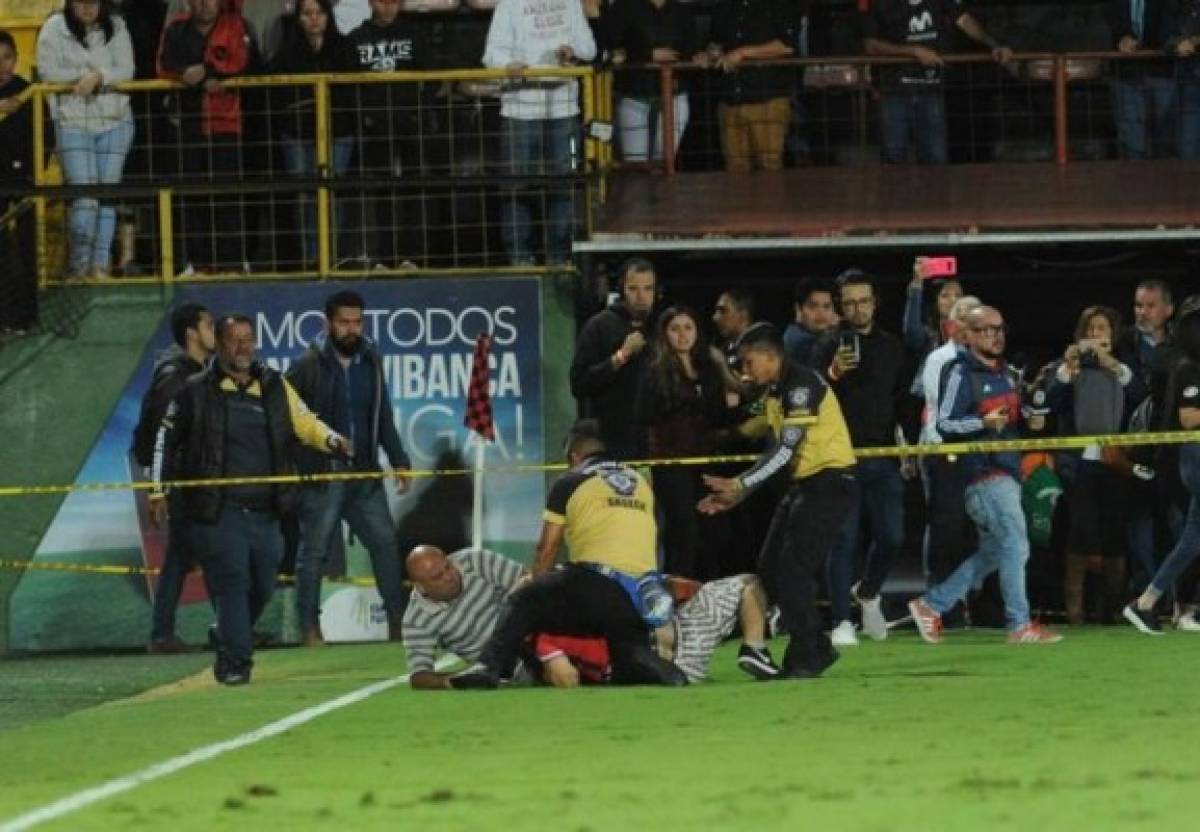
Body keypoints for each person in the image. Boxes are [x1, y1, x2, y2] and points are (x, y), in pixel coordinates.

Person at [150, 313, 351, 685]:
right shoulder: (194, 390)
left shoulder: (274, 385)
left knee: (262, 584)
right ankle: (236, 663)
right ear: (221, 344)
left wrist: (333, 440)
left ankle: (227, 632)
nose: (244, 348)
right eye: (234, 340)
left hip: (266, 511)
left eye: (249, 339)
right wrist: (157, 490)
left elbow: (305, 422)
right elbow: (165, 439)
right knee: (233, 581)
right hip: (217, 509)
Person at [449, 419, 687, 689]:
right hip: (640, 594)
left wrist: (534, 579)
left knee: (524, 600)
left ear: (574, 456)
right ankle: (652, 664)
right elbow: (658, 533)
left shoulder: (571, 481)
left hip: (598, 581)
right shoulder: (641, 483)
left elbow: (547, 547)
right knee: (627, 657)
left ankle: (489, 667)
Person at [698, 324, 857, 679]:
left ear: (772, 356)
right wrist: (740, 495)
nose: (745, 371)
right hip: (806, 486)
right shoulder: (775, 391)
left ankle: (807, 656)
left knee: (794, 569)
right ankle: (815, 645)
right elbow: (775, 450)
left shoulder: (801, 386)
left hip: (829, 483)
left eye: (749, 362)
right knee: (770, 567)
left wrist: (740, 484)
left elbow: (786, 451)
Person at [908, 306, 1063, 645]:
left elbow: (1015, 416)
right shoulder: (960, 373)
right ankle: (1019, 625)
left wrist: (1031, 417)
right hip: (982, 474)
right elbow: (945, 423)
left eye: (999, 329)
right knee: (1016, 545)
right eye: (986, 330)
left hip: (1007, 469)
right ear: (969, 335)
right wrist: (983, 423)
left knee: (997, 549)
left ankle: (932, 604)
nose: (995, 336)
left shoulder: (1007, 373)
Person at [286, 290, 412, 646]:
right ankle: (309, 627)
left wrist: (399, 459)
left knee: (386, 544)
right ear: (328, 323)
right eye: (344, 322)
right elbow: (288, 421)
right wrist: (302, 466)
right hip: (324, 475)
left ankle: (398, 625)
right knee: (314, 552)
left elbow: (382, 414)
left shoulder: (371, 359)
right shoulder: (306, 364)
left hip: (365, 474)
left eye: (357, 322)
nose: (351, 329)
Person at [811, 270, 911, 646]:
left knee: (893, 537)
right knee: (844, 539)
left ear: (875, 302)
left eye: (863, 300)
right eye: (849, 302)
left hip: (884, 454)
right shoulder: (825, 345)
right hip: (839, 457)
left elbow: (901, 401)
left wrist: (907, 448)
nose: (857, 308)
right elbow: (811, 393)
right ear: (841, 307)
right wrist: (833, 372)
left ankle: (867, 592)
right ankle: (841, 620)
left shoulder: (891, 346)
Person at [1042, 306, 1139, 625]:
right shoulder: (1067, 366)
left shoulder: (1124, 366)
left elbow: (1142, 396)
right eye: (1091, 329)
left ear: (1114, 334)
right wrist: (1066, 370)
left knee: (1113, 533)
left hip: (1116, 460)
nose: (1097, 335)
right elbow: (1046, 403)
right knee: (1081, 532)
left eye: (1103, 329)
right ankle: (1075, 611)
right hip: (1077, 461)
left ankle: (1111, 608)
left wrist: (1113, 365)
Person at [483, 0, 597, 265]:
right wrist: (509, 64)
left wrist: (572, 51)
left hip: (564, 108)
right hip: (519, 109)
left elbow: (589, 48)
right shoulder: (509, 6)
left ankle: (561, 257)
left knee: (564, 183)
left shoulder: (570, 3)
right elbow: (491, 55)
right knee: (515, 186)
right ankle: (519, 258)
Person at [134, 303, 217, 653]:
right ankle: (163, 634)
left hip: (193, 481)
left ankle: (219, 628)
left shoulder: (196, 371)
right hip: (184, 484)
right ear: (192, 333)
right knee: (191, 556)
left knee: (198, 555)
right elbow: (160, 436)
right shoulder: (176, 376)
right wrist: (159, 488)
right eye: (209, 325)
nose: (215, 331)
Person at [633, 306, 736, 579]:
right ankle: (677, 600)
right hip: (671, 463)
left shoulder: (709, 368)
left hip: (705, 462)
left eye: (688, 327)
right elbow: (643, 415)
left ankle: (712, 596)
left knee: (717, 531)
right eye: (675, 328)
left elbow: (721, 417)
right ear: (664, 334)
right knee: (684, 533)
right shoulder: (654, 371)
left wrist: (729, 391)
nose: (682, 335)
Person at [157, 0, 260, 274]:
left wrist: (206, 70)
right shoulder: (176, 27)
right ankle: (197, 262)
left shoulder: (235, 25)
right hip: (187, 124)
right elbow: (164, 64)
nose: (205, 5)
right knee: (191, 196)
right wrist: (195, 75)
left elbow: (240, 61)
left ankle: (232, 262)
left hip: (225, 123)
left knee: (228, 197)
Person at [37, 0, 136, 279]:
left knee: (106, 197)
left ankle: (100, 265)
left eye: (93, 2)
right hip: (72, 122)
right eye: (81, 2)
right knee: (85, 199)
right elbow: (48, 72)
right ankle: (79, 265)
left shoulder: (116, 26)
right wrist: (82, 77)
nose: (88, 8)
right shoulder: (53, 28)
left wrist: (99, 77)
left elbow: (127, 70)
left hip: (115, 120)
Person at [535, 574, 781, 686]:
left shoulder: (545, 633)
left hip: (675, 656)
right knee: (749, 584)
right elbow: (567, 676)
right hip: (679, 645)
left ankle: (762, 627)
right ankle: (755, 645)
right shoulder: (544, 637)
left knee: (748, 585)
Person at [860, 0, 1012, 164]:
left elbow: (965, 21)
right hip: (894, 91)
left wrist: (994, 45)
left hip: (931, 89)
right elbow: (871, 45)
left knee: (934, 158)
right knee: (893, 157)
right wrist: (914, 52)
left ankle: (934, 190)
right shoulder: (881, 4)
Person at [1124, 307, 1200, 634]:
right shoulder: (1189, 369)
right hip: (1195, 456)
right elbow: (1190, 419)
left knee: (1193, 538)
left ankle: (1145, 603)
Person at [345, 0, 435, 269]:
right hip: (374, 127)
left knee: (413, 191)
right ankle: (384, 257)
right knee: (381, 194)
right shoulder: (356, 39)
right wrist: (364, 116)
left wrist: (419, 110)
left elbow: (432, 76)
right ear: (371, 3)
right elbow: (347, 87)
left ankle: (413, 257)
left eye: (393, 2)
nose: (388, 8)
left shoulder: (413, 35)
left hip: (409, 123)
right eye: (383, 2)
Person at [269, 0, 357, 267]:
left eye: (319, 13)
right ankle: (311, 259)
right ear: (298, 18)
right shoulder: (287, 52)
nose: (314, 19)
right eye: (307, 13)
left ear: (328, 16)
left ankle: (329, 257)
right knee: (304, 198)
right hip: (297, 133)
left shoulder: (344, 48)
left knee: (331, 194)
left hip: (337, 131)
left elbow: (351, 90)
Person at [402, 545, 529, 689]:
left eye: (448, 566)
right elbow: (420, 677)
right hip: (506, 667)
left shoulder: (475, 560)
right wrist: (462, 678)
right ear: (420, 587)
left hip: (535, 634)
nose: (449, 577)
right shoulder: (415, 621)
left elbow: (529, 581)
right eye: (437, 577)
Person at [569, 257, 657, 460]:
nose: (641, 296)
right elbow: (579, 383)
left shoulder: (661, 327)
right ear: (622, 290)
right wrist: (620, 357)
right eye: (633, 288)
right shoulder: (599, 326)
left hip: (654, 446)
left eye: (648, 288)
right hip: (610, 445)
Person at [699, 0, 799, 172]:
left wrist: (743, 53)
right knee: (735, 171)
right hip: (730, 100)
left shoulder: (779, 4)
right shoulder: (724, 6)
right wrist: (708, 54)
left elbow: (787, 46)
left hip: (766, 99)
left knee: (769, 170)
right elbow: (715, 42)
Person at [603, 0, 697, 163]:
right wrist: (647, 54)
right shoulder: (623, 8)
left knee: (665, 162)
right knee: (635, 163)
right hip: (634, 96)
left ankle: (663, 189)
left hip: (674, 97)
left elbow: (691, 50)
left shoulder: (681, 11)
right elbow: (610, 47)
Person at [1106, 0, 1178, 160]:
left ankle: (1162, 179)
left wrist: (1140, 44)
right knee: (1132, 137)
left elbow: (1168, 29)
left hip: (1160, 71)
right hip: (1126, 73)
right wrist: (1124, 38)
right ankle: (1134, 180)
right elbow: (1113, 21)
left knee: (1164, 135)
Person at [0, 29, 35, 335]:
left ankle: (24, 316)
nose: (1, 66)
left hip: (22, 180)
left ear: (16, 59)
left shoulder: (30, 93)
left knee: (25, 249)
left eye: (7, 58)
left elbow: (43, 137)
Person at [783, 277, 837, 367]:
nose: (821, 313)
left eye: (826, 306)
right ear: (798, 309)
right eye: (813, 306)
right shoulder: (798, 341)